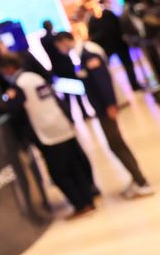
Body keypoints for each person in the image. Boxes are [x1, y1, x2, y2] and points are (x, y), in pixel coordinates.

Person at [55, 32, 154, 199]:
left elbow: (103, 81)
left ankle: (141, 182)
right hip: (101, 107)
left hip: (105, 107)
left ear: (64, 41)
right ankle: (136, 178)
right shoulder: (81, 54)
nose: (59, 49)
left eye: (59, 45)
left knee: (116, 143)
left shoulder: (88, 53)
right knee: (115, 144)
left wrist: (110, 104)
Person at [0, 52, 97, 219]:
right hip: (61, 124)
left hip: (45, 132)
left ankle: (80, 204)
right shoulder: (34, 77)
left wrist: (8, 100)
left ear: (8, 68)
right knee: (75, 166)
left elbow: (15, 109)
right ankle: (88, 199)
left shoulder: (19, 85)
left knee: (59, 172)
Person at [87, 0, 143, 91]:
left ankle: (131, 86)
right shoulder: (100, 17)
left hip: (113, 46)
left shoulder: (102, 17)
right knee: (126, 65)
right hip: (116, 45)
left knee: (126, 65)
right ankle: (131, 86)